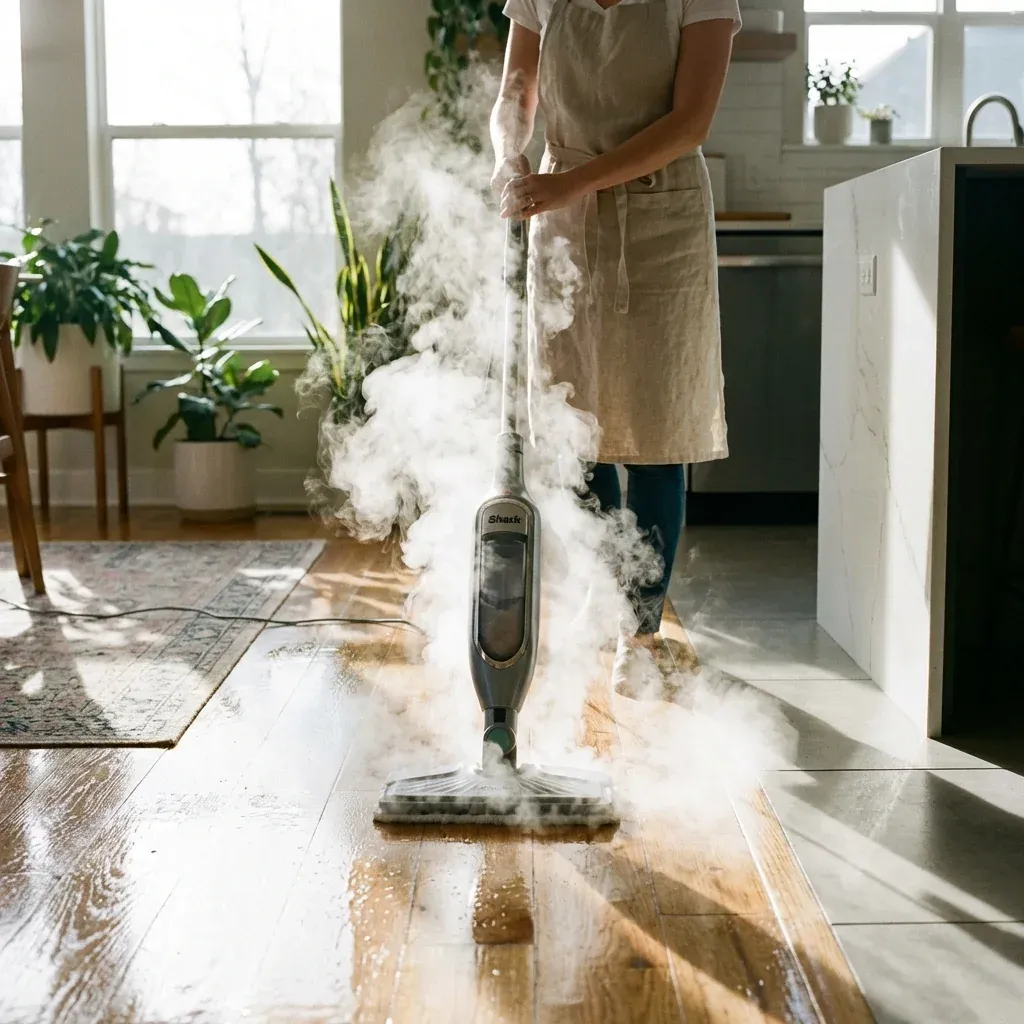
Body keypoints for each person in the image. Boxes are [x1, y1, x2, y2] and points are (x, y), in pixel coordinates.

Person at [489, 0, 740, 696]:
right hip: (564, 220)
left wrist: (567, 182)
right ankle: (602, 604)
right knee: (577, 430)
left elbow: (691, 122)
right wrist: (508, 153)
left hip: (664, 223)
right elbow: (516, 91)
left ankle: (642, 630)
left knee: (656, 434)